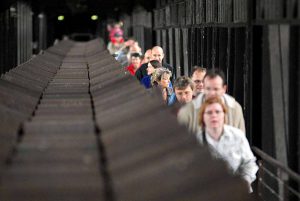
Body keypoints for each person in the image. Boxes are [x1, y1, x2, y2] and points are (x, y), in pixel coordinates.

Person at [196, 96, 258, 192]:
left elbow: (249, 163)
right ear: (202, 116)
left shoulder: (237, 136)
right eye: (209, 112)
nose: (214, 115)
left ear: (224, 114)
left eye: (217, 112)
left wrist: (244, 183)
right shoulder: (196, 140)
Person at [177, 68, 245, 134]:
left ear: (224, 89)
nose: (212, 93)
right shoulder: (188, 110)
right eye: (208, 89)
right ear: (203, 87)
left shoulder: (235, 109)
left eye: (216, 89)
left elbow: (241, 140)